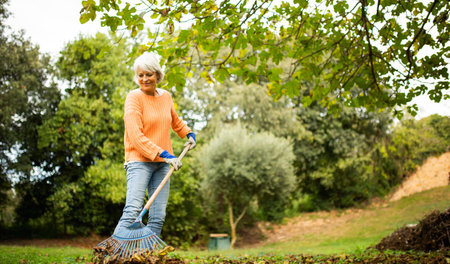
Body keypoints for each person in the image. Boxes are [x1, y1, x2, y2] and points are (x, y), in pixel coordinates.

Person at [113, 52, 196, 238]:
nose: (144, 79)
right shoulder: (133, 98)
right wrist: (165, 154)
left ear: (157, 75)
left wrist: (188, 133)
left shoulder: (165, 97)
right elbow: (135, 136)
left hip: (162, 164)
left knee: (158, 216)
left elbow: (175, 121)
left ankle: (148, 256)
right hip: (139, 162)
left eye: (149, 74)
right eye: (140, 75)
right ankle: (112, 254)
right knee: (132, 211)